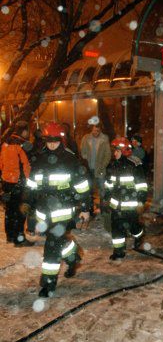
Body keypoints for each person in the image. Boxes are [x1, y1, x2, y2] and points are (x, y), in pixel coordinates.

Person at [26, 122, 91, 297]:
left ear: (61, 140)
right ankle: (73, 257)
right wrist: (29, 210)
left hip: (62, 211)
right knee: (57, 241)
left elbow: (82, 186)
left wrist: (85, 208)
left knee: (51, 246)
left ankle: (48, 284)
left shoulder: (70, 159)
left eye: (55, 140)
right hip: (44, 211)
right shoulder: (38, 159)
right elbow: (32, 186)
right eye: (49, 140)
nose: (52, 143)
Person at [104, 137, 148, 260]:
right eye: (114, 151)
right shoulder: (112, 165)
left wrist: (141, 200)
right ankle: (119, 251)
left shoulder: (134, 164)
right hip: (116, 205)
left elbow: (141, 185)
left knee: (132, 226)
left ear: (124, 151)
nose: (115, 153)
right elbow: (109, 183)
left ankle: (138, 235)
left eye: (117, 151)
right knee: (116, 228)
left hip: (130, 204)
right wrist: (106, 196)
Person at [0, 120, 34, 246]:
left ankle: (10, 236)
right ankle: (19, 239)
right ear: (24, 131)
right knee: (20, 211)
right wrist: (28, 182)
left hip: (7, 181)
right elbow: (26, 165)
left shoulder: (5, 143)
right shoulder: (23, 145)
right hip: (19, 183)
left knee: (10, 211)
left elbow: (1, 163)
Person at [80, 123, 111, 215]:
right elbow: (82, 151)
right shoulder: (86, 138)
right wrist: (85, 159)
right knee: (88, 190)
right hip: (88, 169)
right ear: (91, 130)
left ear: (100, 130)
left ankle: (103, 209)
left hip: (100, 169)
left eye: (97, 131)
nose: (95, 132)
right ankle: (89, 210)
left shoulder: (104, 139)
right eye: (94, 130)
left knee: (102, 190)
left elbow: (108, 155)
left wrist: (103, 166)